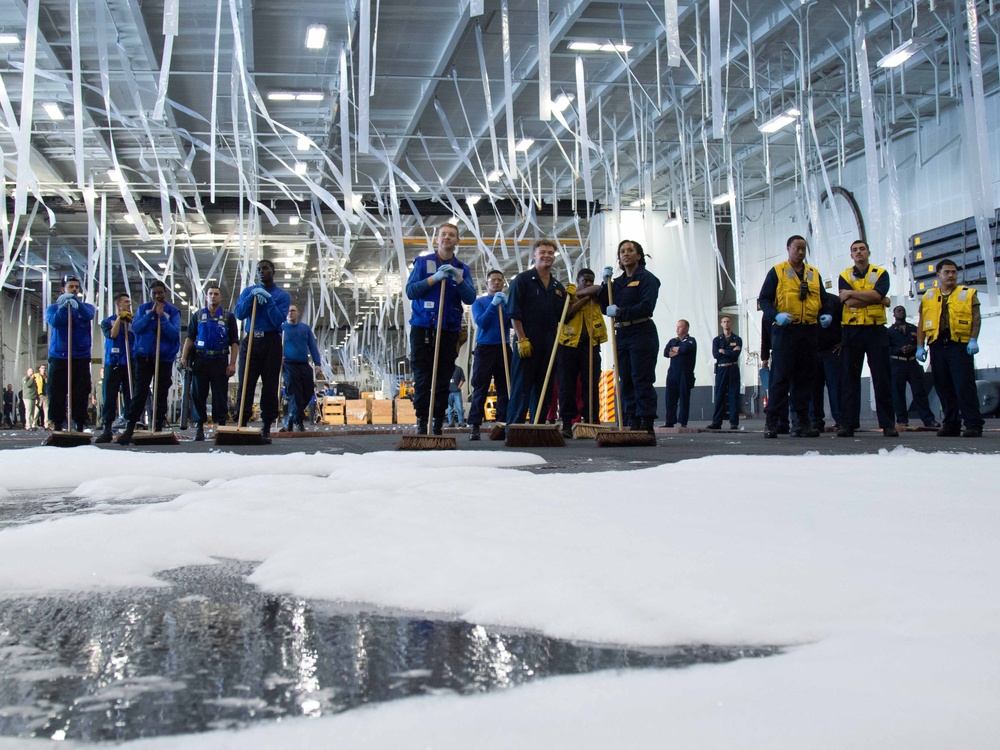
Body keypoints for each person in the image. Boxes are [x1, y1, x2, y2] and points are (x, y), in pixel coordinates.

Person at [757, 235, 832, 438]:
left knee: (805, 378)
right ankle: (772, 421)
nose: (800, 252)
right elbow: (763, 300)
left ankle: (801, 422)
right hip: (785, 332)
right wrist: (776, 315)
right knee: (780, 378)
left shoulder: (813, 273)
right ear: (788, 248)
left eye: (803, 249)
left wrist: (826, 314)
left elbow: (824, 300)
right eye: (797, 248)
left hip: (808, 331)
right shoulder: (777, 272)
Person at [405, 222, 476, 435]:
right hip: (423, 327)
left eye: (452, 235)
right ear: (437, 239)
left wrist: (459, 278)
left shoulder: (463, 268)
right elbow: (411, 291)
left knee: (443, 377)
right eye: (443, 234)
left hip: (448, 330)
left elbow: (470, 297)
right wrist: (433, 279)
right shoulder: (423, 262)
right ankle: (421, 420)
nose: (447, 238)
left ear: (457, 241)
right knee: (424, 376)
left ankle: (437, 421)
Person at [598, 239, 660, 434]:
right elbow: (604, 305)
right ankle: (631, 418)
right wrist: (604, 283)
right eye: (622, 251)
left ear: (638, 255)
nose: (625, 254)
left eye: (630, 250)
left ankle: (646, 420)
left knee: (641, 377)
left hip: (642, 331)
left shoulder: (647, 278)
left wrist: (621, 311)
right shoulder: (618, 283)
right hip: (622, 333)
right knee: (625, 379)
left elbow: (647, 306)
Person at [836, 240, 897, 438]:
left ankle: (888, 424)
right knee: (848, 379)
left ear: (868, 252)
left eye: (862, 249)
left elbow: (875, 294)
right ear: (851, 255)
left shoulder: (881, 274)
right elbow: (851, 301)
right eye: (855, 250)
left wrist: (854, 293)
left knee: (882, 378)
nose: (859, 252)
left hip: (875, 330)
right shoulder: (844, 276)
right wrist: (877, 299)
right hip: (852, 331)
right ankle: (848, 424)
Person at [916, 258, 984, 437]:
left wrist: (973, 340)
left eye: (954, 272)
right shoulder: (928, 296)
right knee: (943, 387)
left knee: (964, 386)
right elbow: (922, 322)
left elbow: (976, 318)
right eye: (947, 272)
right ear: (938, 275)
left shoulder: (967, 294)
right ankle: (951, 423)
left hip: (960, 346)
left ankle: (973, 424)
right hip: (937, 346)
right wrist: (920, 346)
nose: (951, 275)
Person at [507, 239, 568, 428]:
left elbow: (563, 316)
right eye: (543, 252)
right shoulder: (522, 280)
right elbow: (514, 312)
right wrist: (521, 339)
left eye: (551, 253)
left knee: (544, 389)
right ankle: (514, 429)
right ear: (534, 255)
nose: (547, 255)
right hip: (527, 342)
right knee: (521, 387)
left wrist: (572, 300)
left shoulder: (558, 287)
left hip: (549, 344)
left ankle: (537, 427)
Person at [233, 259, 292, 442]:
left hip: (271, 341)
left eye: (265, 268)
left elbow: (277, 322)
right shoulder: (248, 292)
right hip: (251, 340)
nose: (261, 271)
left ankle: (266, 425)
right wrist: (251, 299)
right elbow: (239, 314)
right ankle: (241, 422)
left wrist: (268, 302)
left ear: (273, 271)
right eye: (259, 269)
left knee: (270, 385)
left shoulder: (282, 296)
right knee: (245, 384)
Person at [116, 280, 182, 444]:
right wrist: (151, 314)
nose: (157, 296)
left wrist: (162, 317)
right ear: (150, 294)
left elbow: (174, 334)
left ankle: (158, 427)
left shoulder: (172, 311)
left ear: (165, 293)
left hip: (164, 359)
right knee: (140, 394)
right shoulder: (142, 309)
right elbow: (137, 328)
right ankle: (130, 427)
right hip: (144, 358)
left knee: (161, 394)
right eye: (154, 293)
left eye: (160, 293)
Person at [181, 285, 239, 441]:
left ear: (221, 298)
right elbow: (190, 337)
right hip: (201, 360)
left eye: (216, 294)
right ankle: (199, 427)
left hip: (220, 361)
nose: (213, 296)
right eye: (210, 294)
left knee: (220, 395)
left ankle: (221, 427)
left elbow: (234, 342)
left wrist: (232, 363)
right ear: (206, 297)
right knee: (199, 394)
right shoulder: (198, 315)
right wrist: (184, 356)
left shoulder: (228, 316)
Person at [557, 268, 607, 437]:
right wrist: (585, 297)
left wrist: (589, 292)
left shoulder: (597, 294)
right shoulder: (568, 294)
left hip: (590, 346)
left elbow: (598, 288)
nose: (588, 283)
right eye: (584, 280)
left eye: (590, 280)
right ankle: (566, 423)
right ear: (577, 280)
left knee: (591, 385)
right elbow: (567, 314)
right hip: (567, 346)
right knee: (566, 387)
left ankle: (591, 421)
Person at [45, 275, 96, 432]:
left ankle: (79, 422)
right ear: (63, 290)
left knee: (81, 392)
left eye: (76, 287)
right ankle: (58, 423)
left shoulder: (86, 307)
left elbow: (89, 316)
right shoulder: (53, 308)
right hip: (60, 356)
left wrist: (77, 305)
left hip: (80, 356)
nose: (74, 290)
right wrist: (63, 308)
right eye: (70, 287)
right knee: (56, 391)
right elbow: (54, 322)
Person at [467, 269, 512, 440]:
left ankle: (502, 425)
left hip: (503, 347)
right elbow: (482, 323)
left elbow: (512, 324)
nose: (497, 282)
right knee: (481, 387)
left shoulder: (506, 303)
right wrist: (493, 305)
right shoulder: (480, 303)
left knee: (505, 388)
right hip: (485, 348)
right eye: (493, 280)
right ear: (487, 283)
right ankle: (475, 426)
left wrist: (507, 307)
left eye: (500, 280)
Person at [887, 305, 939, 429]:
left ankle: (928, 420)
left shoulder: (914, 329)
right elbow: (886, 349)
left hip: (912, 363)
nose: (901, 312)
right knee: (898, 393)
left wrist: (914, 349)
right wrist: (899, 350)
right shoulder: (889, 331)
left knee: (919, 392)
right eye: (898, 311)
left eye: (903, 310)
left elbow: (920, 343)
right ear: (894, 314)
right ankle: (902, 420)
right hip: (897, 363)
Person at [94, 293, 135, 443]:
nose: (129, 304)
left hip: (130, 363)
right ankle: (107, 429)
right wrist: (119, 318)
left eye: (129, 302)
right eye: (126, 302)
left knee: (130, 397)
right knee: (109, 396)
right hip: (113, 363)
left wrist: (130, 321)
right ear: (118, 304)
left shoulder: (133, 322)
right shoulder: (107, 321)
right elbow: (112, 334)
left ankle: (130, 427)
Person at [280, 303, 322, 432]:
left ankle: (290, 418)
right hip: (288, 365)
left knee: (309, 391)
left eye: (293, 311)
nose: (290, 313)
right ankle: (298, 421)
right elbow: (274, 345)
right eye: (288, 311)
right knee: (295, 394)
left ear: (297, 313)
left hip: (303, 364)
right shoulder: (281, 328)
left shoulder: (305, 328)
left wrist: (318, 364)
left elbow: (312, 346)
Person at [706, 316, 742, 430]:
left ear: (730, 323)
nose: (726, 324)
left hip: (733, 369)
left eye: (728, 321)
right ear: (721, 324)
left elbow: (736, 355)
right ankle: (717, 422)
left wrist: (724, 351)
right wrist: (730, 351)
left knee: (733, 395)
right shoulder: (717, 340)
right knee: (719, 395)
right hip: (721, 369)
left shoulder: (737, 339)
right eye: (724, 322)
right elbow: (716, 355)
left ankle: (734, 422)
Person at [662, 320, 697, 428]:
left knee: (684, 398)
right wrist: (676, 350)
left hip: (685, 374)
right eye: (677, 327)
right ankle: (669, 421)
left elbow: (685, 349)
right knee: (670, 398)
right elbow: (665, 353)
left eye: (680, 327)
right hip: (672, 373)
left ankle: (683, 421)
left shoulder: (691, 340)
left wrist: (675, 350)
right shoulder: (673, 340)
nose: (677, 329)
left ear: (686, 329)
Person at [21, 367, 38, 431]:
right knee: (28, 411)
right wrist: (31, 378)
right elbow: (27, 385)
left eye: (32, 371)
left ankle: (32, 424)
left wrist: (37, 397)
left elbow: (35, 388)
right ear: (27, 372)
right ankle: (28, 425)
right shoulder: (25, 378)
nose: (32, 373)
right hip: (28, 397)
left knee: (32, 412)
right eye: (30, 371)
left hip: (33, 397)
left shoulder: (33, 379)